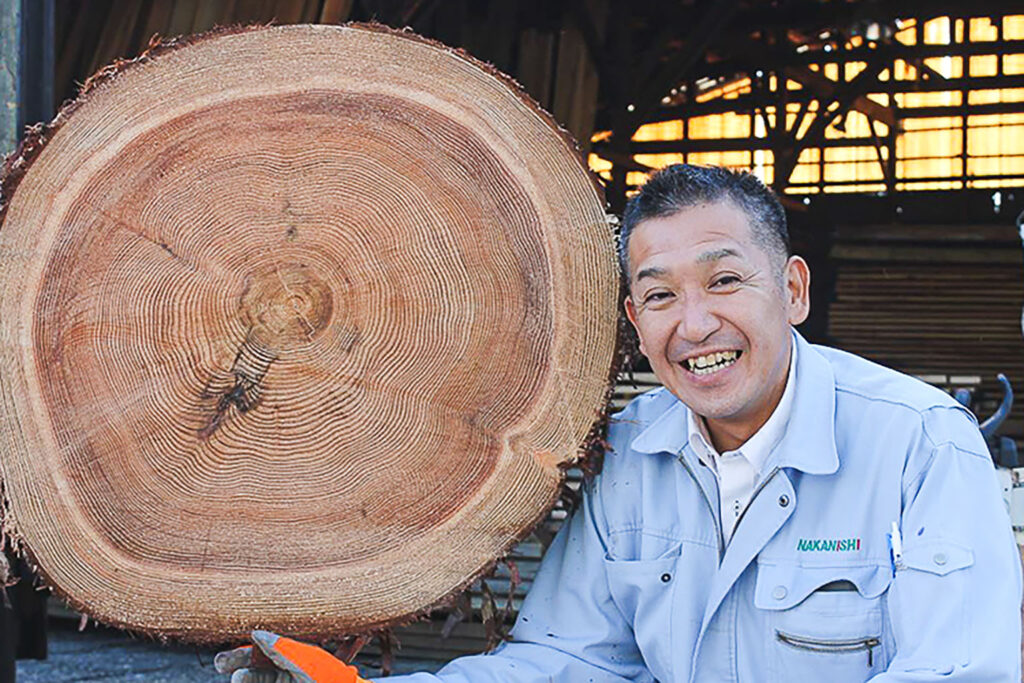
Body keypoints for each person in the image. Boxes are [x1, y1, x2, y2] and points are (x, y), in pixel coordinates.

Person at [218, 164, 1023, 682]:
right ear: (635, 321)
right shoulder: (637, 453)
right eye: (663, 295)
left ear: (795, 290)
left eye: (726, 280)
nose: (697, 324)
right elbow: (565, 661)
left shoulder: (919, 442)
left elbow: (958, 673)